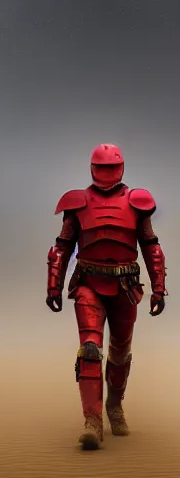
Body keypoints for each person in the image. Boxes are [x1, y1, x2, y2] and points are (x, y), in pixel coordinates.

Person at [45, 143, 167, 450]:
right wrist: (53, 285)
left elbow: (151, 245)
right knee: (89, 349)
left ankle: (114, 406)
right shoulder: (78, 202)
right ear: (92, 168)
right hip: (89, 283)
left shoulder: (138, 202)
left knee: (120, 352)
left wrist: (159, 288)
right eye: (103, 169)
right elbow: (62, 246)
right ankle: (92, 421)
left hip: (126, 287)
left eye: (112, 169)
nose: (107, 175)